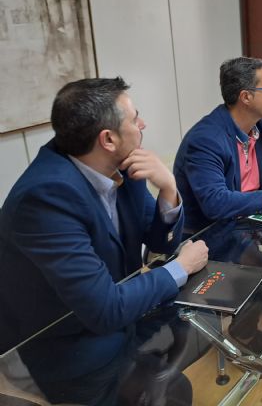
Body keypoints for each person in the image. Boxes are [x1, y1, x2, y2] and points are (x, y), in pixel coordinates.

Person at [0, 77, 209, 360]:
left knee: (187, 354)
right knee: (178, 381)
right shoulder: (45, 198)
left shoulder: (119, 164)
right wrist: (181, 267)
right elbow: (104, 310)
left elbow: (160, 242)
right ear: (108, 139)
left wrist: (169, 189)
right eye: (135, 120)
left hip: (121, 316)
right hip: (62, 345)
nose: (143, 125)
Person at [174, 56, 262, 234]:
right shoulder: (205, 140)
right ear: (246, 97)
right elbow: (216, 203)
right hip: (206, 236)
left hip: (251, 225)